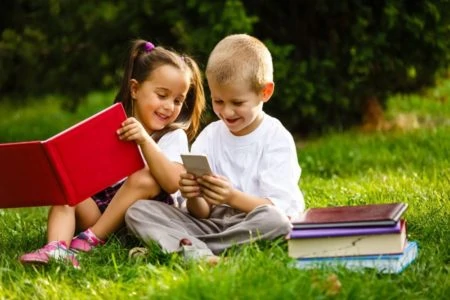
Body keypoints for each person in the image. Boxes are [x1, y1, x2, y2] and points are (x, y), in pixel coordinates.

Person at [19, 39, 206, 267]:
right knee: (66, 189)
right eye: (162, 95)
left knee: (145, 176)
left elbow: (172, 183)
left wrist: (145, 141)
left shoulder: (172, 136)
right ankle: (56, 249)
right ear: (135, 89)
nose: (170, 106)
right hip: (103, 213)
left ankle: (89, 240)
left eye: (178, 100)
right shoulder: (113, 126)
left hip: (142, 217)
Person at [125, 34, 304, 263]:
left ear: (265, 92)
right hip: (208, 223)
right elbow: (201, 211)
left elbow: (282, 209)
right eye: (218, 101)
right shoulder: (209, 136)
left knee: (276, 222)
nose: (227, 112)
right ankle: (199, 250)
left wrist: (231, 196)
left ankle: (189, 250)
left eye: (237, 103)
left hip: (251, 222)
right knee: (138, 211)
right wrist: (192, 195)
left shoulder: (275, 138)